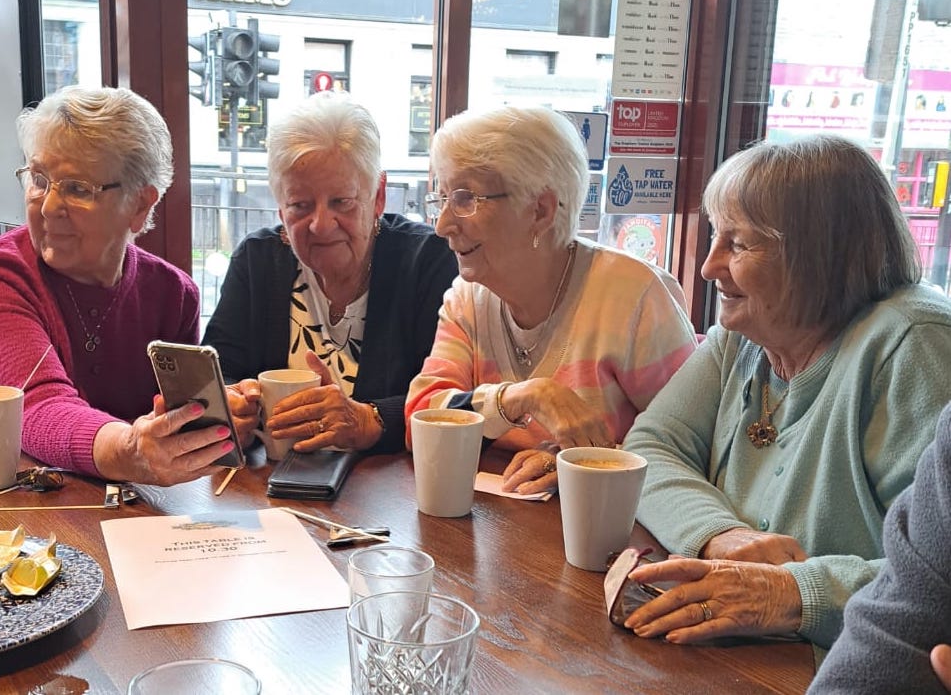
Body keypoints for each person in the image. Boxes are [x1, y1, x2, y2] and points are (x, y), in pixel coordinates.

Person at [620, 134, 951, 651]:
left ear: (820, 254)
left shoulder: (915, 346)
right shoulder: (744, 334)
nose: (708, 267)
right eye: (714, 236)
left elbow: (939, 578)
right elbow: (649, 447)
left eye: (738, 244)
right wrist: (720, 535)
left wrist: (791, 592)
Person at [0, 86, 228, 486]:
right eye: (38, 179)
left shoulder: (173, 296)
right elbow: (33, 407)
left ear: (140, 204)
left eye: (77, 188)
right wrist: (131, 450)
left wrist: (215, 426)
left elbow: (164, 424)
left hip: (58, 483)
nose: (48, 206)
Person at [405, 104, 696, 494]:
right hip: (499, 524)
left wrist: (586, 463)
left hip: (609, 534)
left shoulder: (633, 297)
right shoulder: (467, 299)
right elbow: (419, 420)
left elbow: (690, 444)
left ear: (540, 210)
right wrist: (523, 397)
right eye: (441, 199)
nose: (442, 225)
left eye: (465, 199)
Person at [203, 92, 457, 456]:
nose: (321, 225)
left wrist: (371, 419)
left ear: (378, 196)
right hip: (269, 492)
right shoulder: (257, 260)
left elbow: (453, 399)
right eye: (300, 205)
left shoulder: (428, 261)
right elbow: (219, 374)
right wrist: (231, 407)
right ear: (279, 207)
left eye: (342, 201)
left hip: (395, 497)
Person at [806, 402, 951, 693]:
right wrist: (720, 532)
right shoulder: (728, 361)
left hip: (802, 653)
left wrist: (801, 588)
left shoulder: (909, 361)